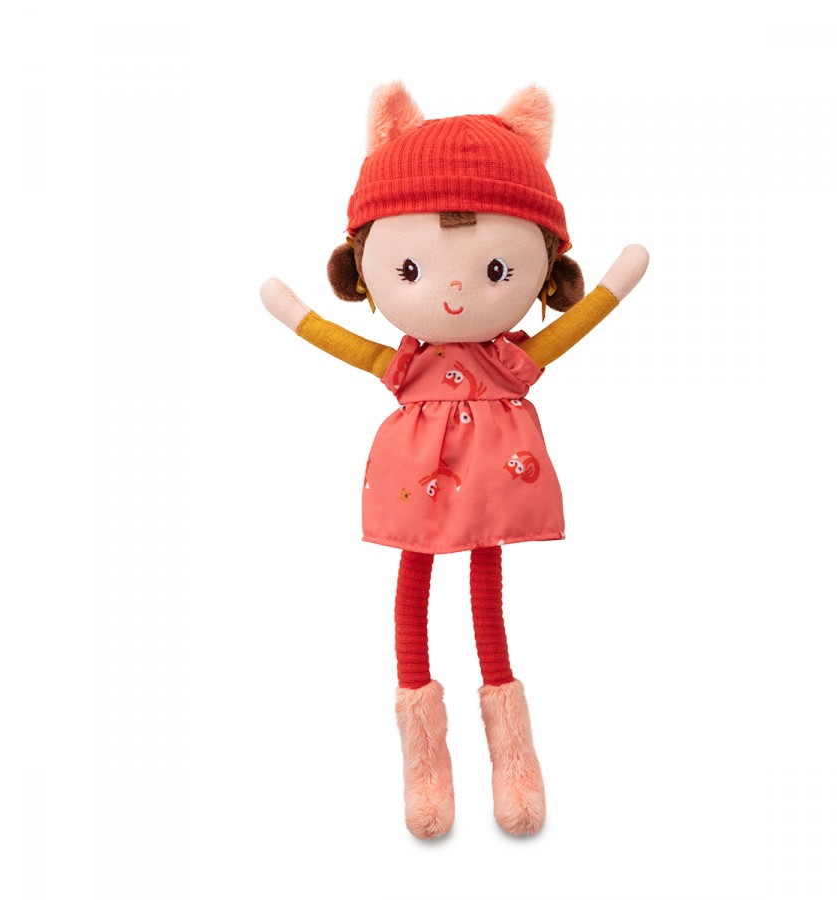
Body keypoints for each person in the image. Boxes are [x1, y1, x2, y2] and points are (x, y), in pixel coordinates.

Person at [261, 83, 648, 838]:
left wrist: (612, 287)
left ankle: (514, 760)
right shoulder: (408, 365)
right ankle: (427, 768)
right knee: (414, 594)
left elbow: (570, 332)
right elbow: (351, 348)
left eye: (498, 270)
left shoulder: (506, 362)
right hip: (417, 486)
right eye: (410, 270)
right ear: (363, 268)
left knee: (486, 597)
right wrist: (296, 314)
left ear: (544, 269)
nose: (456, 291)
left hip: (491, 488)